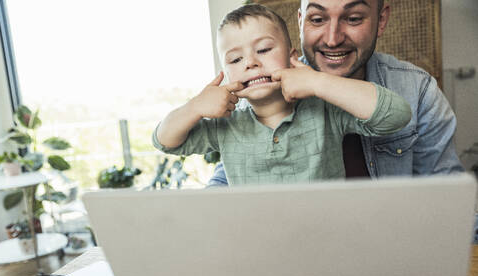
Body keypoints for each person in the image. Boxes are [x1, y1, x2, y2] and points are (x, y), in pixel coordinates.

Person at [208, 0, 464, 186]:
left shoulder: (418, 91)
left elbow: (449, 203)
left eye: (353, 18)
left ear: (381, 20)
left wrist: (319, 84)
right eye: (317, 19)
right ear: (301, 22)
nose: (332, 39)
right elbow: (226, 183)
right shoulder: (264, 89)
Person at [152, 4, 411, 185]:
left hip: (327, 240)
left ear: (291, 57)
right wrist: (195, 107)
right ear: (226, 73)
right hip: (260, 247)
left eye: (264, 49)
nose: (250, 63)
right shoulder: (225, 125)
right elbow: (164, 141)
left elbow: (396, 115)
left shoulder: (324, 109)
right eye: (235, 59)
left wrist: (318, 82)